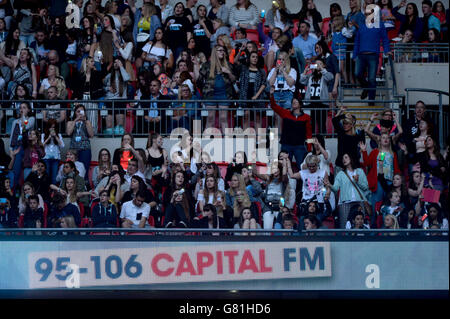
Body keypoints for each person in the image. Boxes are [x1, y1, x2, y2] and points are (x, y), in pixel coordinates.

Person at [353, 5, 391, 104]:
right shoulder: (362, 26)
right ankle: (366, 88)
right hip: (361, 55)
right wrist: (354, 55)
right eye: (366, 13)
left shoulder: (380, 25)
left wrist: (387, 50)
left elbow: (386, 39)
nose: (367, 15)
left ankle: (371, 101)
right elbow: (357, 41)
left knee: (372, 79)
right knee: (357, 74)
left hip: (373, 56)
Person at [360, 134, 401, 222]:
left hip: (389, 183)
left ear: (390, 141)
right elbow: (367, 163)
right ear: (380, 141)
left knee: (387, 204)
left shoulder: (393, 153)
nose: (386, 139)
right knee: (377, 205)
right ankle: (374, 225)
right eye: (383, 138)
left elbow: (396, 169)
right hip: (378, 181)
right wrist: (364, 151)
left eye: (387, 138)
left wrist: (398, 183)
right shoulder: (375, 152)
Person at [197, 45, 236, 132]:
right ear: (215, 52)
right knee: (210, 118)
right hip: (210, 95)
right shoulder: (206, 65)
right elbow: (199, 81)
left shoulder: (228, 65)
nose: (223, 52)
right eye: (220, 50)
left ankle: (227, 141)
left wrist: (228, 72)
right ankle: (206, 141)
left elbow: (234, 80)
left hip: (224, 95)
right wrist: (205, 90)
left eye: (223, 51)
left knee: (224, 118)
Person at [269, 94, 312, 166]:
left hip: (299, 146)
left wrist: (309, 149)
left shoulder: (306, 117)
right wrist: (271, 95)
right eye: (293, 102)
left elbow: (309, 134)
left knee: (302, 166)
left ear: (300, 104)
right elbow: (274, 106)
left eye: (296, 102)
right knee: (284, 166)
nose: (294, 103)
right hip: (286, 145)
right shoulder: (286, 113)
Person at [300, 58, 334, 135]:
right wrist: (305, 72)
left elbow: (330, 77)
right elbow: (301, 81)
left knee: (321, 124)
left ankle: (321, 144)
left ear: (324, 65)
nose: (318, 66)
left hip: (322, 103)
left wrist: (322, 69)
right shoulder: (310, 76)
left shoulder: (325, 76)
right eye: (316, 64)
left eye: (320, 64)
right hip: (310, 103)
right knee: (310, 124)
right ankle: (310, 143)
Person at [237, 51, 267, 130]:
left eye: (256, 57)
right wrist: (240, 50)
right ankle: (246, 138)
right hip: (245, 95)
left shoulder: (261, 71)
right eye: (253, 57)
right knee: (246, 116)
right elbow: (235, 61)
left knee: (257, 117)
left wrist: (256, 95)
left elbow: (264, 84)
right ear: (249, 58)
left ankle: (259, 140)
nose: (255, 59)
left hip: (258, 95)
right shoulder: (244, 69)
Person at [9, 101, 35, 190]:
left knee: (27, 172)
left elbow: (25, 126)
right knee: (16, 171)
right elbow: (12, 136)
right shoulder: (15, 122)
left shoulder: (31, 119)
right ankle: (15, 192)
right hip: (17, 147)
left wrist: (23, 116)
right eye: (20, 108)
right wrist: (10, 149)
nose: (21, 110)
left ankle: (27, 191)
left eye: (24, 108)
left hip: (28, 148)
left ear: (28, 110)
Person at [332, 106, 366, 172]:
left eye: (347, 123)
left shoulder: (356, 136)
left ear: (351, 125)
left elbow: (362, 144)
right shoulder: (341, 133)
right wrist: (343, 114)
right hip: (340, 165)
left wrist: (362, 131)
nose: (344, 125)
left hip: (353, 166)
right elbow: (334, 120)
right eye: (344, 123)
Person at [66, 104, 94, 183]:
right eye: (78, 111)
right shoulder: (70, 122)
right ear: (75, 113)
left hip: (85, 149)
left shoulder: (87, 122)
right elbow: (69, 133)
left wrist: (85, 121)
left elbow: (91, 135)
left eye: (82, 111)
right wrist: (75, 121)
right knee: (72, 169)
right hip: (73, 150)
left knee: (84, 169)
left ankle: (83, 185)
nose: (80, 113)